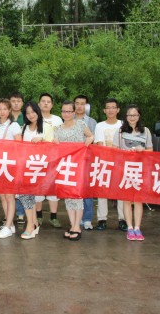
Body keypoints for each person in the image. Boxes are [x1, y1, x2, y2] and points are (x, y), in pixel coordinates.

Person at [53, 100, 94, 241]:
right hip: (65, 167)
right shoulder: (57, 129)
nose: (66, 114)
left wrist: (89, 139)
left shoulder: (81, 125)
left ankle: (77, 226)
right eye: (64, 111)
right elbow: (55, 146)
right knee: (68, 197)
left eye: (69, 111)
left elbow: (90, 136)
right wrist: (55, 142)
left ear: (74, 112)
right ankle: (72, 225)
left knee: (77, 196)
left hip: (79, 166)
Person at [113, 105, 152, 242]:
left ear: (139, 116)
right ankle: (129, 227)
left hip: (140, 169)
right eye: (129, 115)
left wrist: (142, 151)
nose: (132, 118)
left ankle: (137, 228)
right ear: (126, 116)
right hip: (125, 169)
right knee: (127, 199)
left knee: (139, 200)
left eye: (135, 115)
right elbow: (114, 150)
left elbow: (150, 150)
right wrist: (125, 153)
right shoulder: (120, 131)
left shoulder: (146, 131)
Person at [19, 101, 53, 239]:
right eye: (27, 113)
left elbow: (53, 146)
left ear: (37, 111)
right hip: (26, 167)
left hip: (41, 168)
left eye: (33, 111)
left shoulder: (47, 126)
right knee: (27, 195)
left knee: (28, 195)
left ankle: (30, 226)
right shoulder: (24, 128)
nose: (31, 115)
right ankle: (33, 223)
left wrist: (42, 140)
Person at [0, 98, 22, 238]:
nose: (2, 111)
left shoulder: (14, 126)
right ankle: (10, 224)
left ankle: (8, 226)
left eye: (5, 109)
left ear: (9, 110)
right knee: (2, 195)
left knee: (9, 196)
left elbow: (19, 145)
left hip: (10, 164)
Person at [94, 98, 127, 231]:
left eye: (113, 107)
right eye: (108, 107)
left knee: (122, 192)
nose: (111, 110)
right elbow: (99, 145)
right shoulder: (99, 126)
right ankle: (102, 219)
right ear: (104, 110)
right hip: (104, 162)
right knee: (102, 192)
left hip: (121, 163)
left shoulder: (124, 124)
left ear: (118, 110)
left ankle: (123, 219)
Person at [36, 93, 63, 228]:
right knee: (38, 187)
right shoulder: (35, 118)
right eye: (43, 101)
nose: (46, 103)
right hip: (38, 159)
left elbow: (62, 136)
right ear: (39, 104)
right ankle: (38, 216)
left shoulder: (58, 120)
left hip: (54, 159)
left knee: (53, 188)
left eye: (48, 101)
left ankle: (53, 217)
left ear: (52, 105)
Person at [74, 94, 98, 231]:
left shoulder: (91, 122)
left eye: (82, 104)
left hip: (87, 160)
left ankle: (87, 219)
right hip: (72, 160)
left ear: (87, 106)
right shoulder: (68, 119)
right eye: (77, 103)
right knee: (74, 190)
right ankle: (75, 219)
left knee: (87, 190)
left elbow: (94, 140)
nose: (79, 106)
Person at [9, 92, 26, 224]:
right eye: (13, 101)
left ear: (22, 103)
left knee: (20, 184)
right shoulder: (5, 115)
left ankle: (20, 213)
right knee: (9, 185)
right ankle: (8, 214)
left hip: (22, 154)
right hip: (7, 155)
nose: (16, 103)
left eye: (18, 101)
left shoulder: (26, 116)